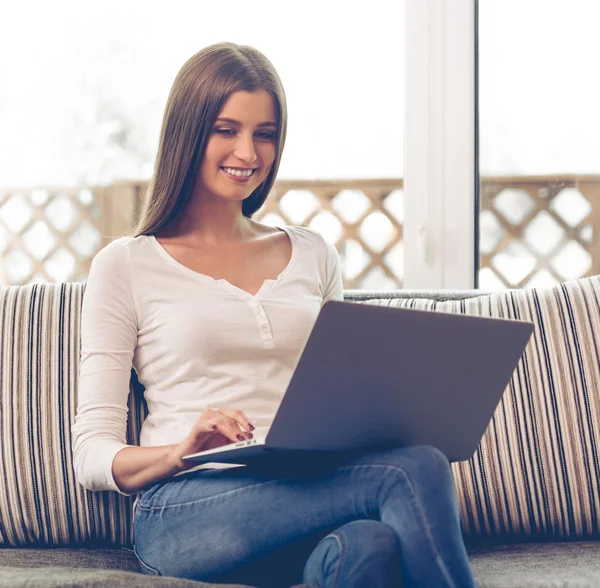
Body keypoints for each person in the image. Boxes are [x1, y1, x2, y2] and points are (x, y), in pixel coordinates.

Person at [72, 42, 476, 588]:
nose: (248, 151)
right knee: (419, 465)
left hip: (304, 492)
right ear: (188, 133)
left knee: (369, 545)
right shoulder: (126, 263)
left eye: (265, 133)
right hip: (188, 507)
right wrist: (183, 449)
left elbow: (344, 392)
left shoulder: (314, 253)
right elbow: (91, 455)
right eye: (226, 129)